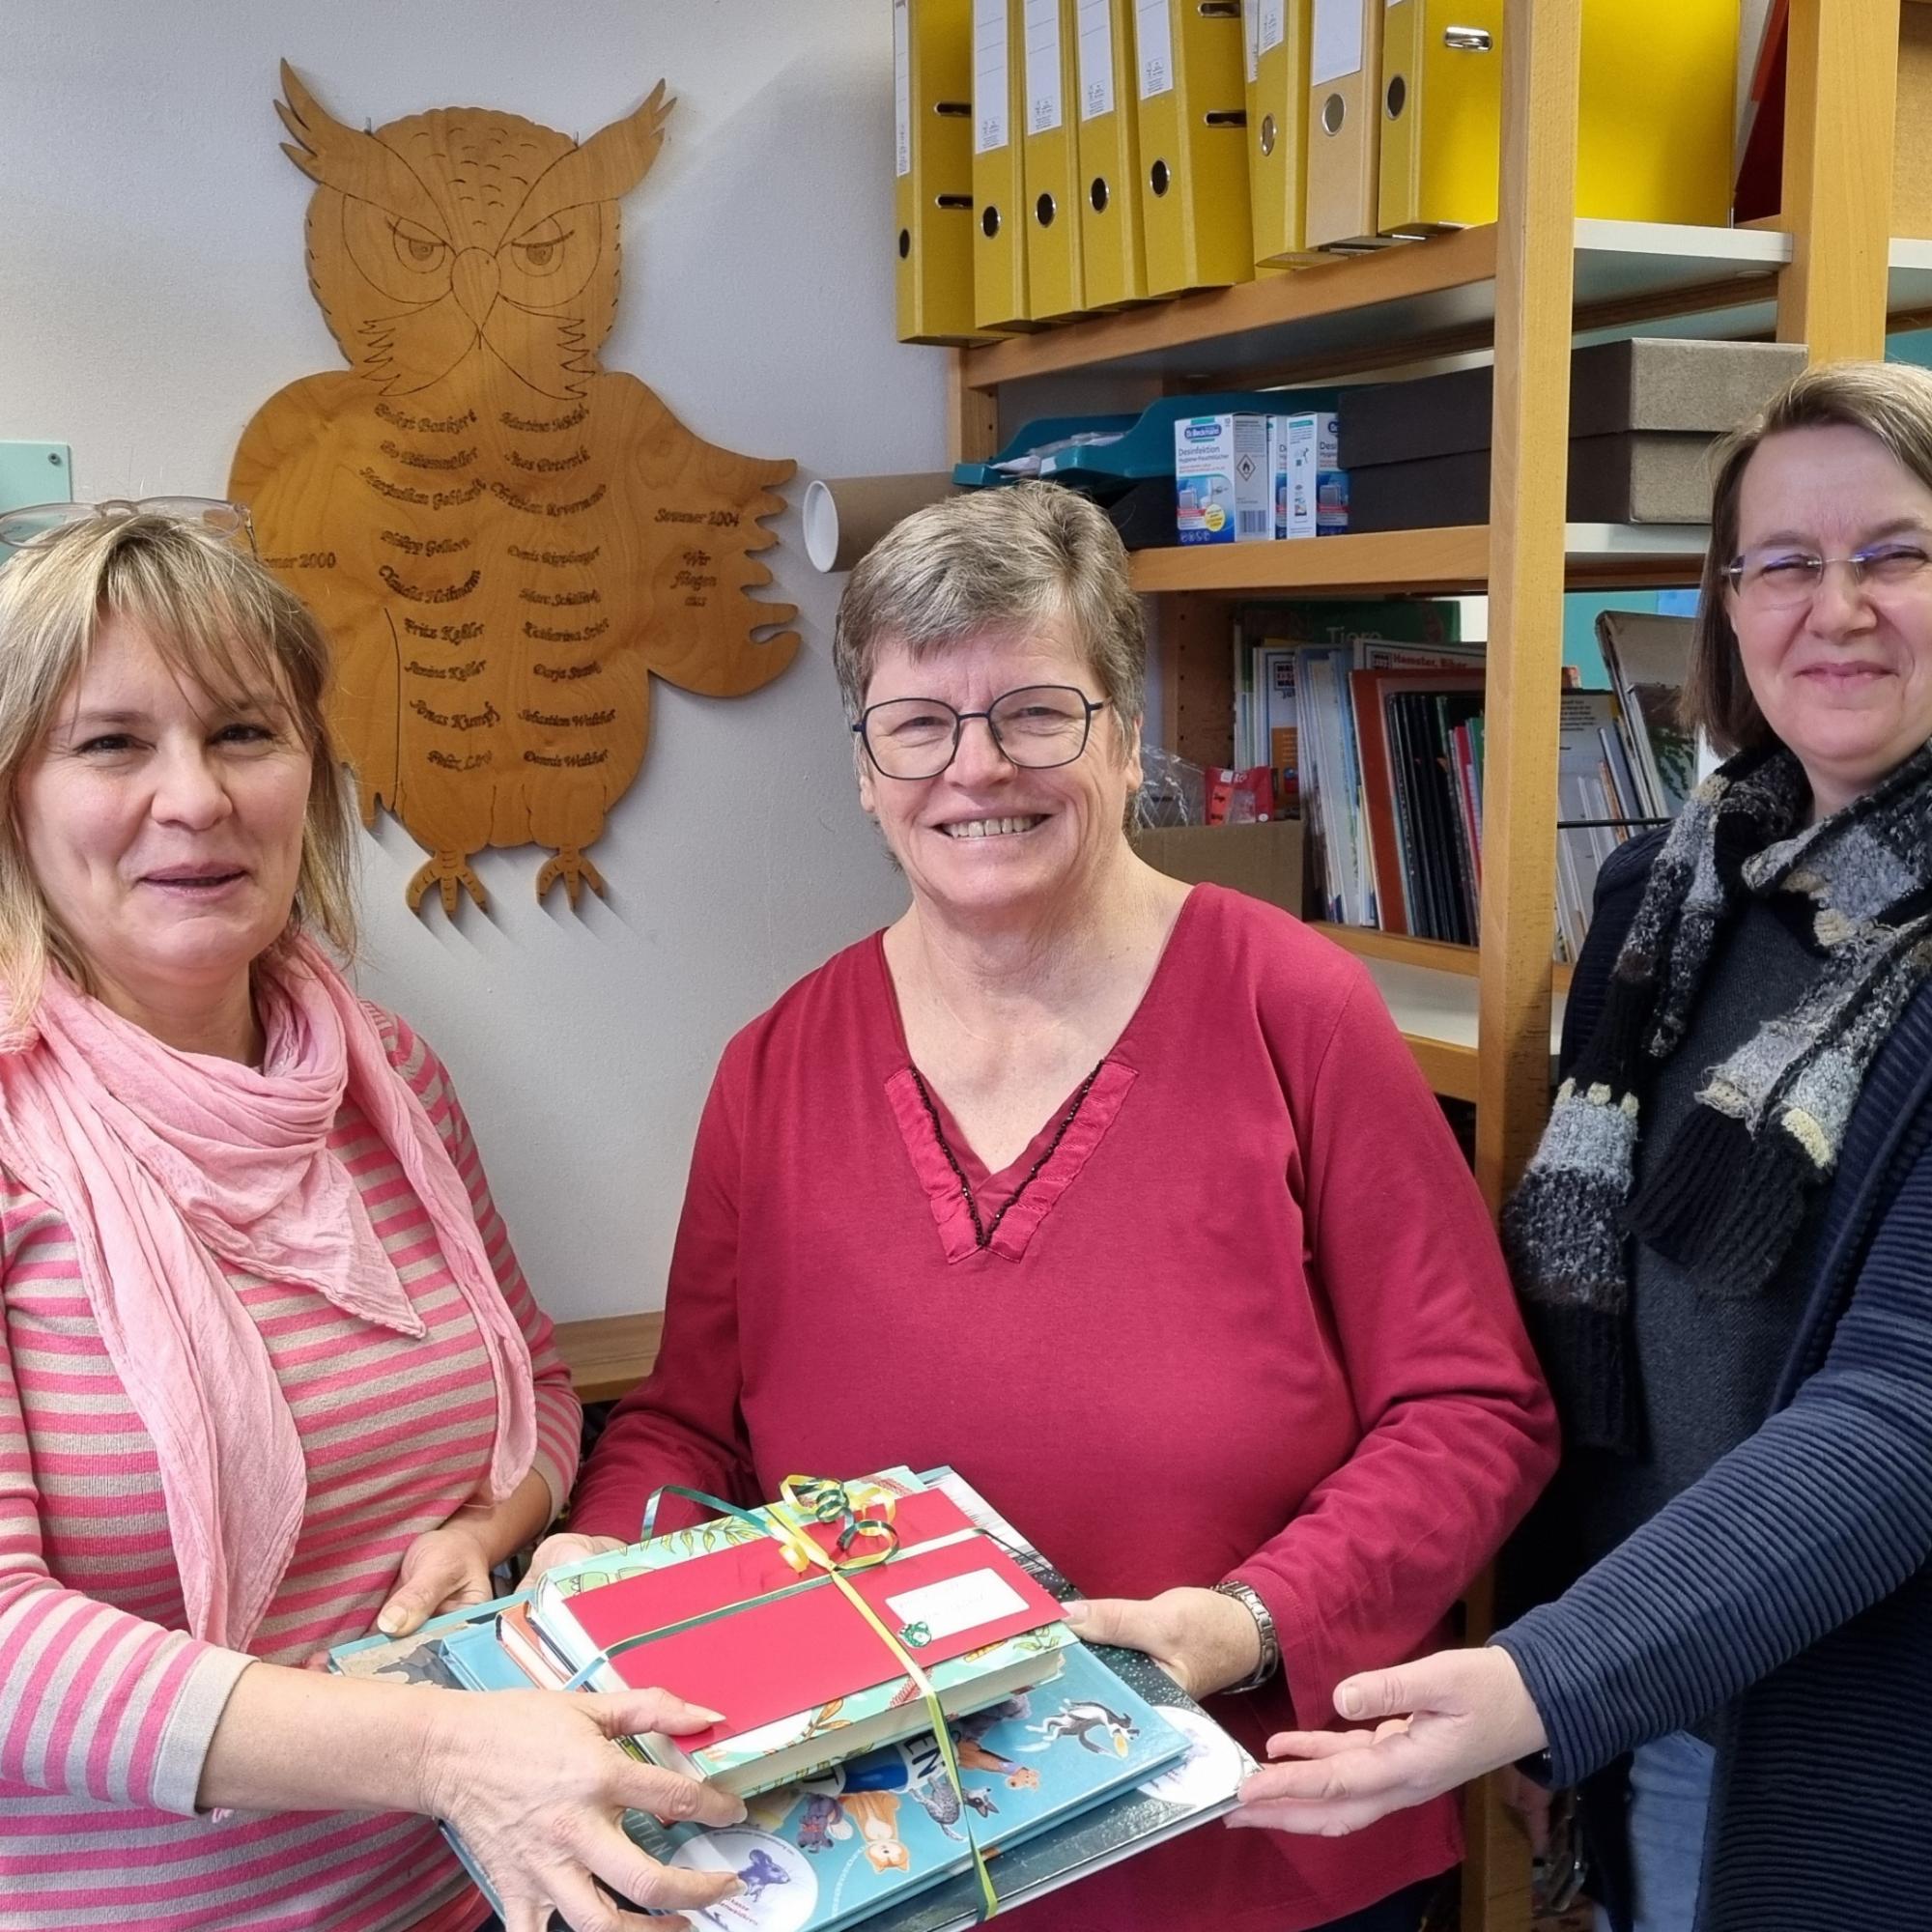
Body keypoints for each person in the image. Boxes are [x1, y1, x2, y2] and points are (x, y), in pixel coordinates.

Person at [534, 482, 1559, 1932]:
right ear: (866, 770)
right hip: (890, 1859)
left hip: (1261, 1835)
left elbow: (1473, 1410)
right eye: (921, 724)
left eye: (1034, 712)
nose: (976, 769)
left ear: (1130, 740)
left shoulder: (1294, 1008)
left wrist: (1249, 1621)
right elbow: (689, 1423)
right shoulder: (775, 1064)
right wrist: (606, 1565)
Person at [1235, 359, 1932, 1932]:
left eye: (1894, 555)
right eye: (1785, 564)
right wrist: (1563, 1663)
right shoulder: (1664, 904)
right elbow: (1575, 1321)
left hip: (1865, 1727)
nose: (1839, 608)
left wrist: (1542, 1678)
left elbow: (1901, 1415)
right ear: (1729, 607)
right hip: (1648, 1688)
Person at [0, 504, 746, 1932]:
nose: (197, 799)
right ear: (11, 796)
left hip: (485, 1882)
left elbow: (529, 1382)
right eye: (111, 744)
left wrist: (488, 1520)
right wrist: (444, 1754)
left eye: (242, 734)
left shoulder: (379, 1075)